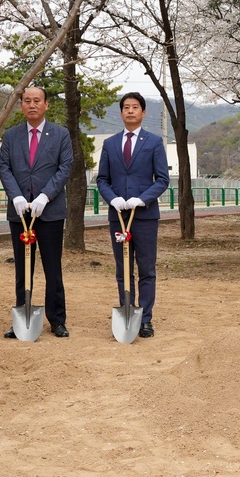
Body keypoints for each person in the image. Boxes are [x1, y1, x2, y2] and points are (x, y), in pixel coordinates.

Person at [0, 86, 73, 339]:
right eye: (27, 100)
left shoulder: (60, 134)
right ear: (21, 106)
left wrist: (45, 196)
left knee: (53, 268)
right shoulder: (11, 135)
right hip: (20, 212)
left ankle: (57, 319)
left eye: (37, 100)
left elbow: (65, 168)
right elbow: (4, 167)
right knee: (22, 267)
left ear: (46, 105)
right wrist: (16, 196)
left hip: (49, 211)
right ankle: (23, 313)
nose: (32, 105)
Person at [96, 92, 170, 338]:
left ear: (143, 112)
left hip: (145, 216)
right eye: (126, 107)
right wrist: (113, 198)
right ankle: (127, 309)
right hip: (117, 215)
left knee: (146, 269)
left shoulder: (153, 142)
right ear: (121, 112)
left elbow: (162, 179)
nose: (130, 111)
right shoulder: (110, 143)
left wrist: (143, 198)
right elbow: (102, 179)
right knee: (123, 267)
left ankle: (146, 318)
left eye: (135, 107)